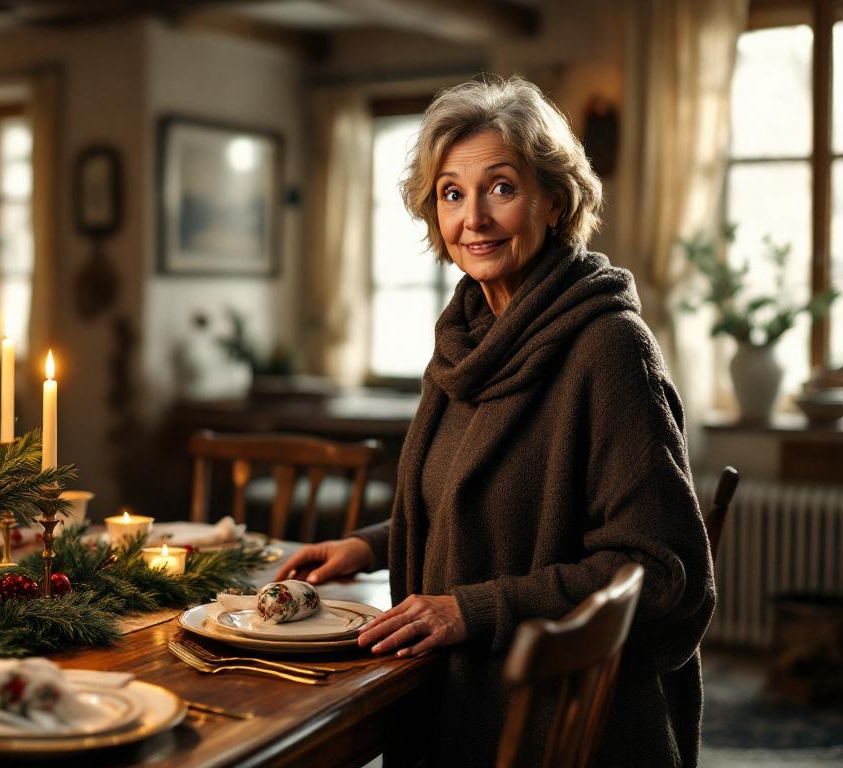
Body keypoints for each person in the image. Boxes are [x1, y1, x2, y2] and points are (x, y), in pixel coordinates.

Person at [275, 76, 714, 766]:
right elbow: (488, 508)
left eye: (500, 188)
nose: (472, 218)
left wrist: (470, 609)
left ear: (554, 202)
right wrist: (369, 545)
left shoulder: (609, 349)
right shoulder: (466, 337)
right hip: (451, 689)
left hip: (556, 721)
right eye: (452, 192)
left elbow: (659, 569)